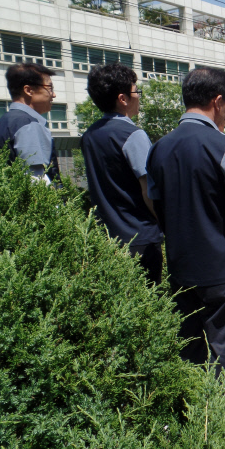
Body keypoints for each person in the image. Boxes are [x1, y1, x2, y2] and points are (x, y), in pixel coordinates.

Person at [146, 67, 225, 400]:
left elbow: (155, 205)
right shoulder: (224, 146)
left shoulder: (158, 149)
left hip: (180, 266)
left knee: (189, 338)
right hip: (221, 267)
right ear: (217, 102)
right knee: (224, 336)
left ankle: (191, 400)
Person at [81, 62, 163, 285]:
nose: (139, 97)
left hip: (105, 238)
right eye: (137, 91)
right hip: (141, 239)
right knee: (149, 307)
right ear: (123, 98)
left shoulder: (89, 136)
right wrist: (167, 225)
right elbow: (149, 191)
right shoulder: (132, 135)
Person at [0, 63, 60, 183]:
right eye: (49, 88)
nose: (53, 94)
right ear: (29, 90)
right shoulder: (29, 124)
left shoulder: (3, 121)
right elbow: (36, 180)